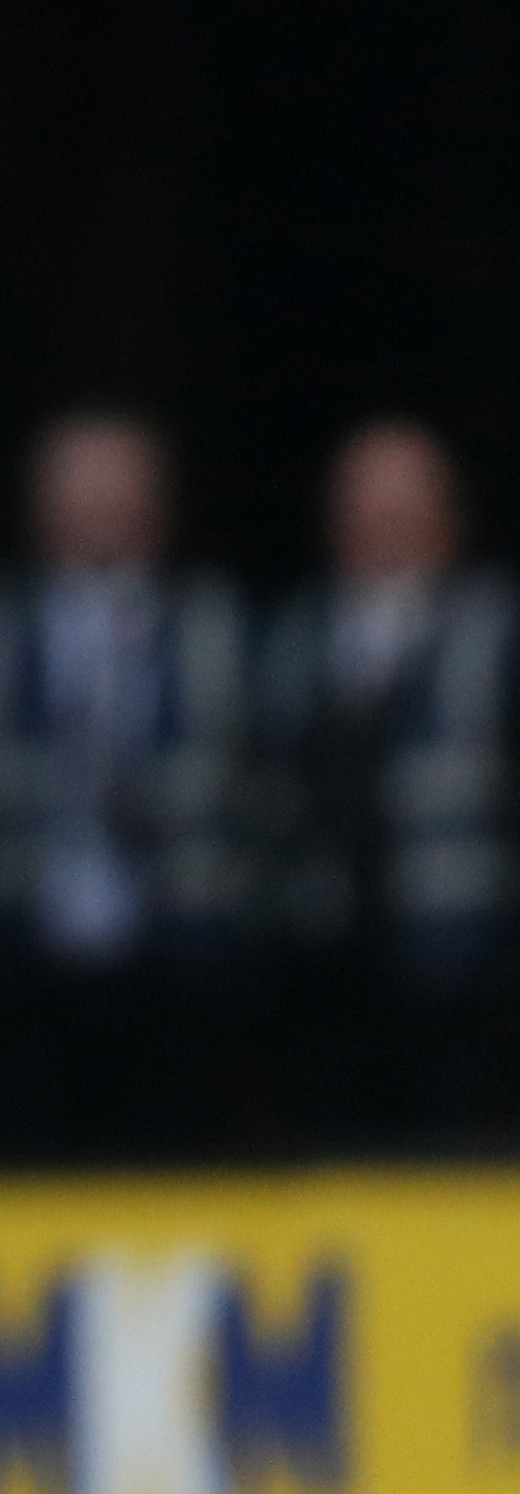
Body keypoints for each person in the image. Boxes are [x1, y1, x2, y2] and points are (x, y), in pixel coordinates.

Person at [0, 410, 249, 1152]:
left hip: (176, 955)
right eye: (79, 486)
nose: (99, 506)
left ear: (158, 505)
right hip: (25, 957)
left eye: (119, 486)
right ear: (39, 505)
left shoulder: (209, 621)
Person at [256, 419, 518, 1139]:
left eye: (406, 501)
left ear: (450, 515)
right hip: (324, 954)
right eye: (367, 502)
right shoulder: (292, 638)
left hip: (464, 955)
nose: (386, 520)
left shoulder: (495, 629)